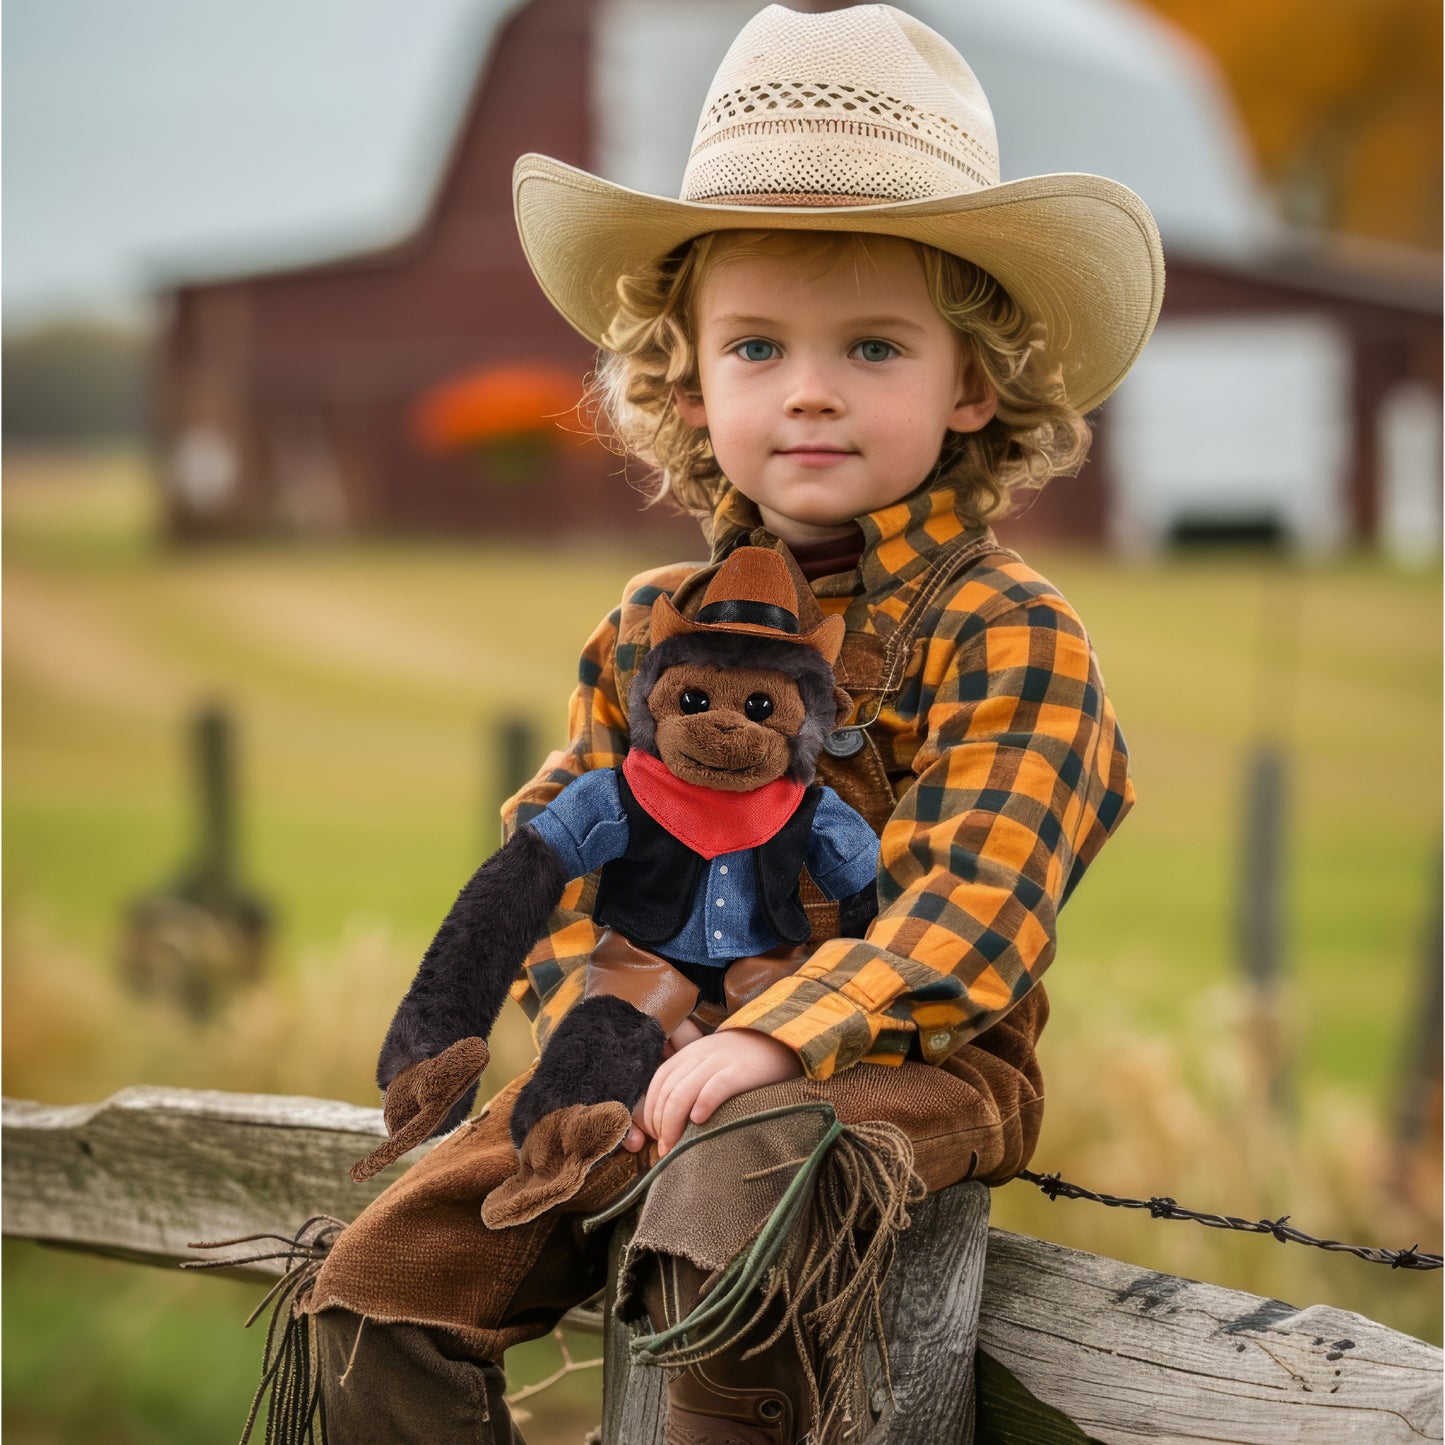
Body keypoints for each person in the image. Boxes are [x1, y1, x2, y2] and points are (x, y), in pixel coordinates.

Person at [263, 5, 1162, 1442]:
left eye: (872, 345)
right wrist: (601, 1041)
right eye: (755, 346)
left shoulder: (1006, 627)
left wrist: (774, 1038)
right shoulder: (646, 624)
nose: (807, 386)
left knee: (732, 1192)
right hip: (654, 1039)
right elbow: (556, 850)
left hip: (905, 1061)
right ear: (686, 378)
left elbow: (970, 912)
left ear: (970, 381)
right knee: (392, 1272)